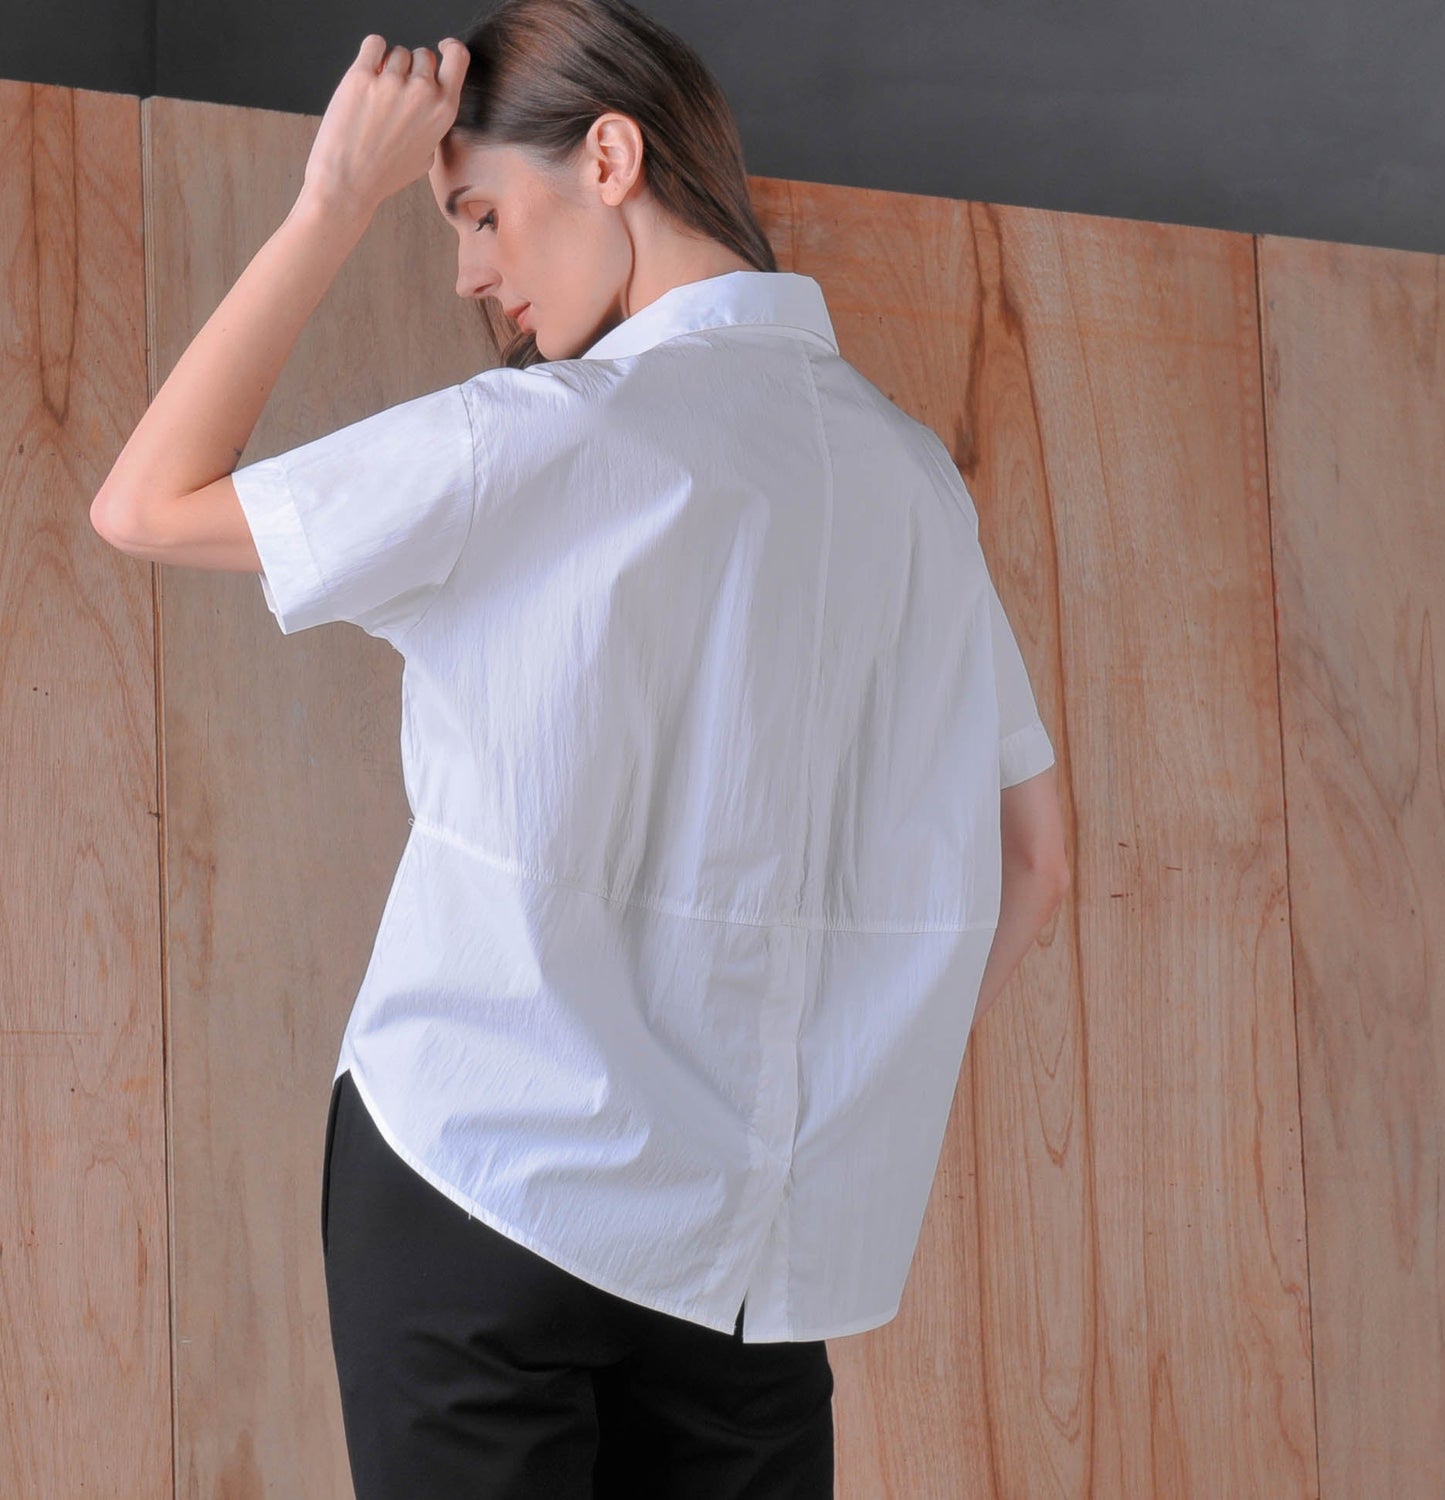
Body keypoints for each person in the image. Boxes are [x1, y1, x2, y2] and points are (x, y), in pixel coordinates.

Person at [91, 1, 1069, 1494]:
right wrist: (826, 1093)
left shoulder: (531, 434)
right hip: (746, 1256)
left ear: (610, 157)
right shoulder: (914, 483)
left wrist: (334, 198)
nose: (471, 276)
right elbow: (1034, 863)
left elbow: (144, 504)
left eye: (478, 213)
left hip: (481, 1174)